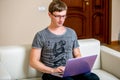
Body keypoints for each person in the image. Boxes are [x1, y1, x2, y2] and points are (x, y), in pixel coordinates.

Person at [30, 0, 100, 80]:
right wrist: (52, 70)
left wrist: (78, 64)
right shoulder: (40, 35)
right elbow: (33, 62)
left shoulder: (71, 32)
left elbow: (77, 54)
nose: (61, 20)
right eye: (57, 16)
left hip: (71, 70)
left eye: (63, 16)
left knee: (94, 78)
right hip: (51, 73)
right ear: (49, 14)